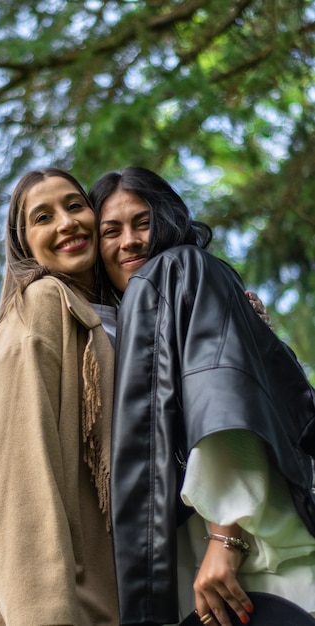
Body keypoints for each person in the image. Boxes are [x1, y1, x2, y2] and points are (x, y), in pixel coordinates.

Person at [89, 167, 315, 626]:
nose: (128, 241)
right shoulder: (130, 319)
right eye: (110, 231)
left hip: (254, 564)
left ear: (168, 222)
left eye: (143, 222)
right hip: (202, 572)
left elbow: (223, 395)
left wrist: (225, 535)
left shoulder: (183, 268)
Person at [0, 168, 120, 625]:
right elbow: (19, 475)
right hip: (57, 597)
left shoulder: (116, 316)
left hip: (112, 589)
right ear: (24, 244)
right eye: (43, 217)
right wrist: (44, 613)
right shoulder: (40, 304)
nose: (66, 223)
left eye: (75, 205)